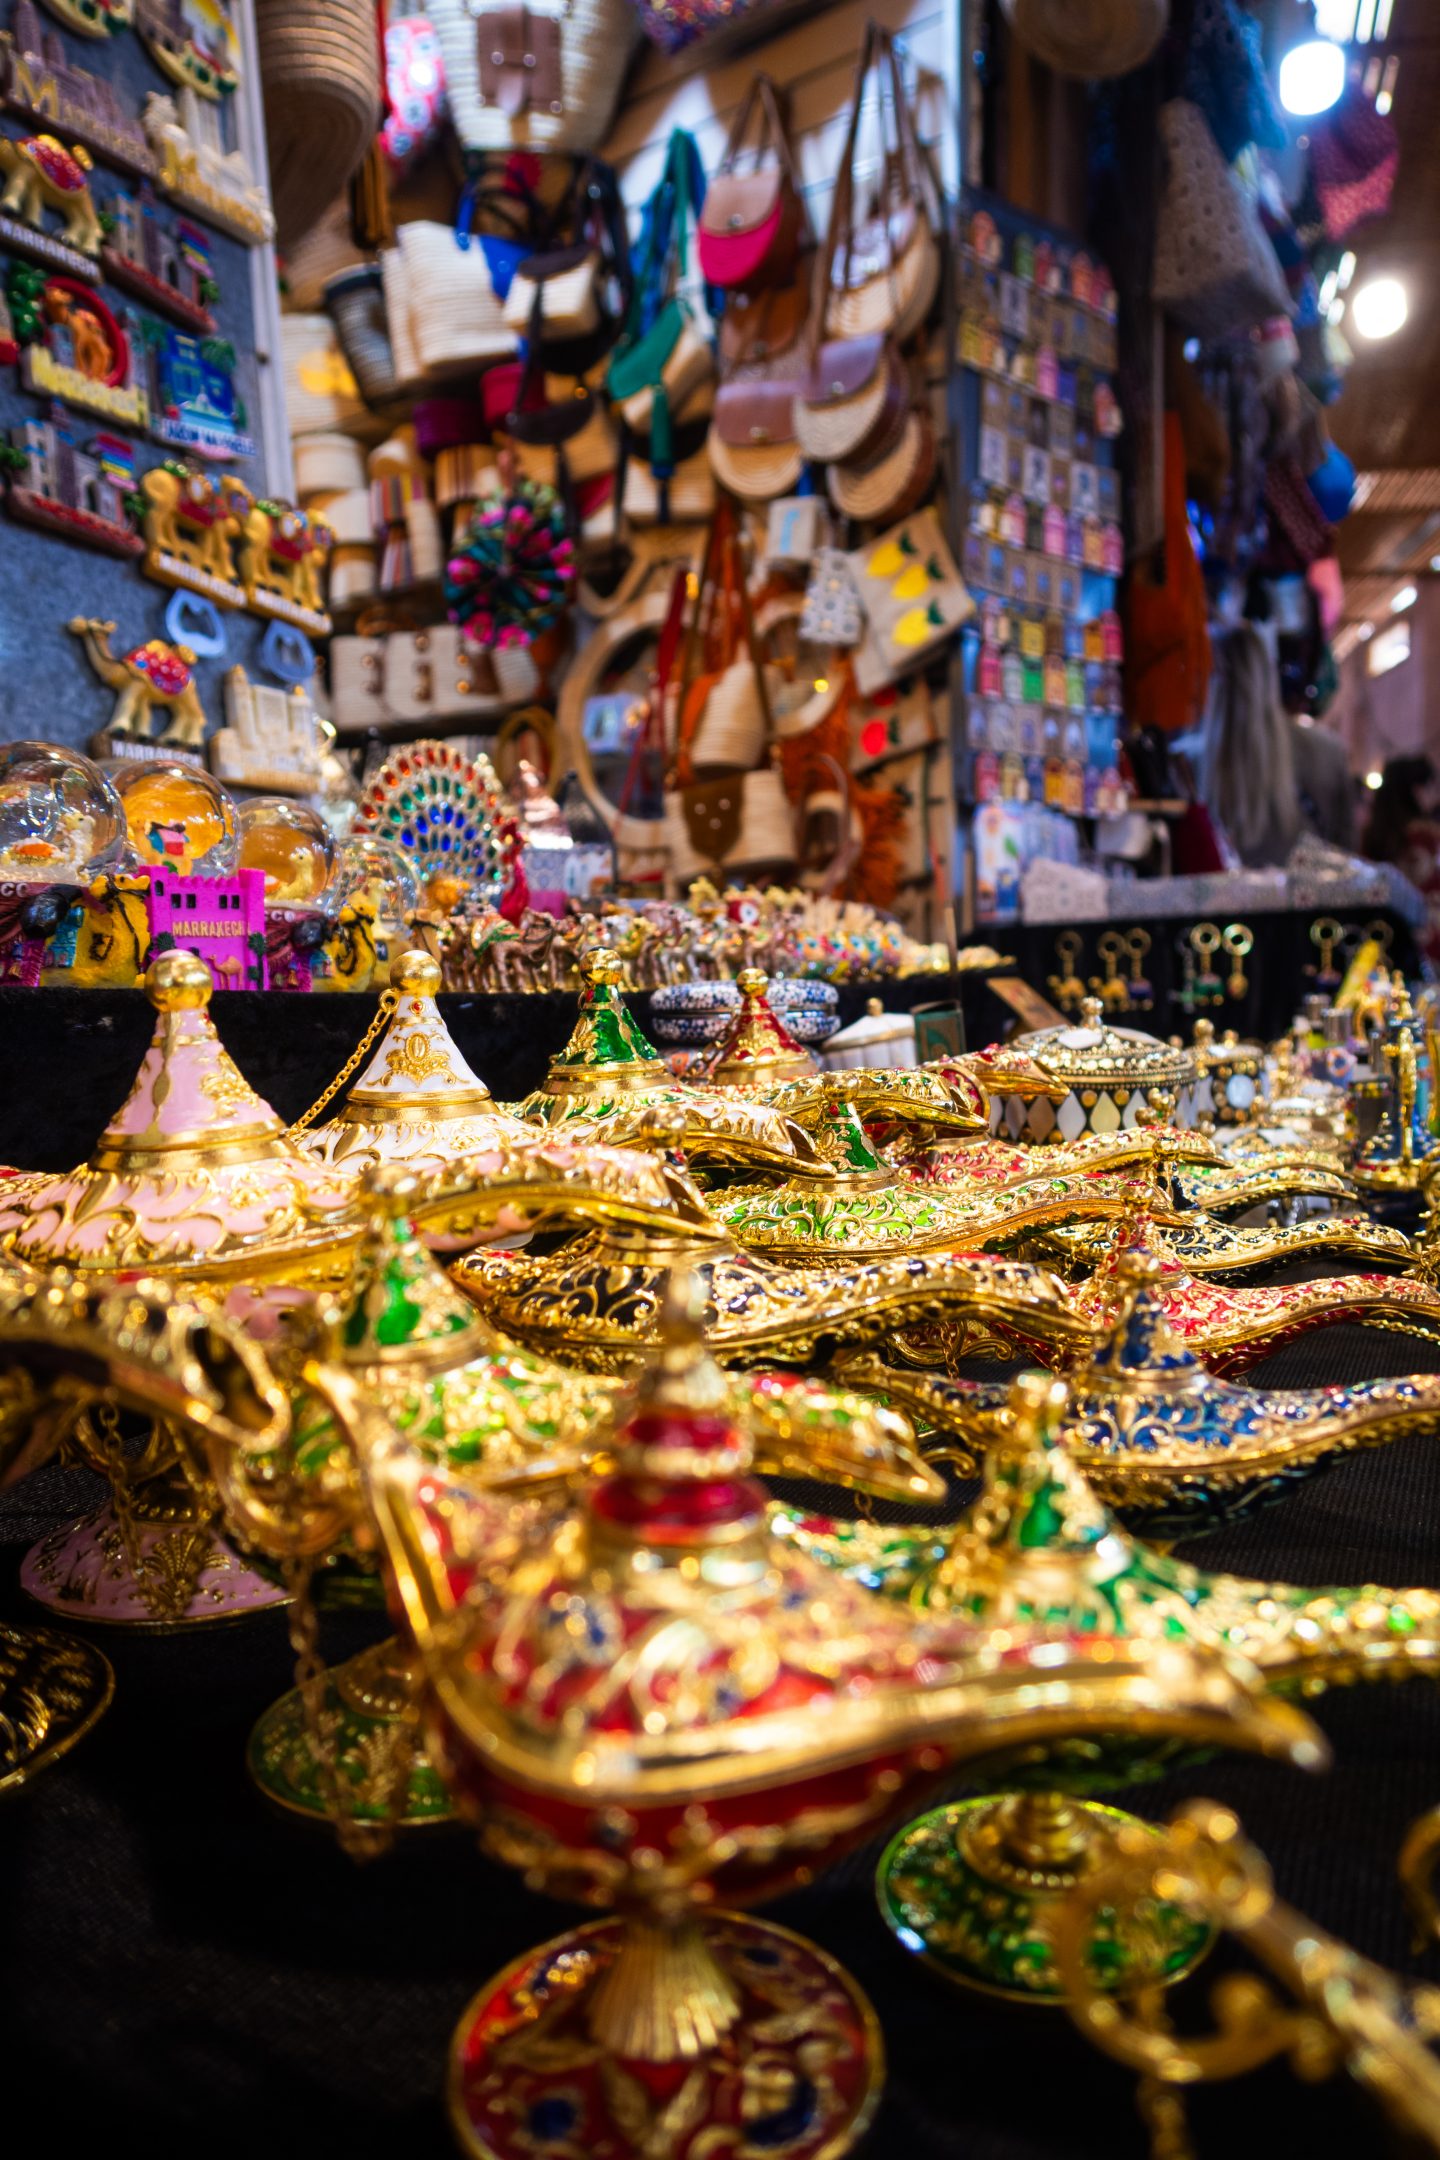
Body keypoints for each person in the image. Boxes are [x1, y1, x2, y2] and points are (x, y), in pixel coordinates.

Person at [1363, 754, 1440, 963]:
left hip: (1381, 942)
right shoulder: (1430, 838)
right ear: (1417, 791)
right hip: (1428, 947)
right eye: (1433, 787)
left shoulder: (1371, 836)